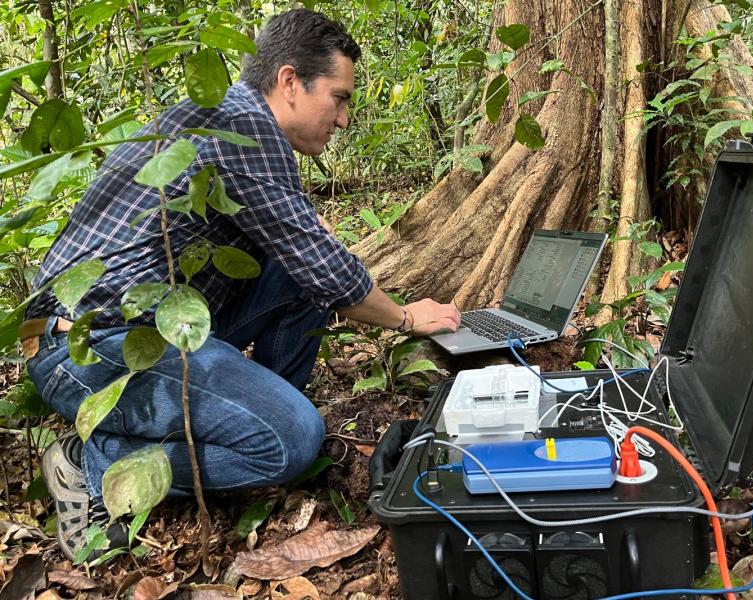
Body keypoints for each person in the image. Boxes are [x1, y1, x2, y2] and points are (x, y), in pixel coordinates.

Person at [21, 8, 460, 560]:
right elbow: (328, 269)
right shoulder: (243, 129)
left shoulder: (220, 116)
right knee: (295, 441)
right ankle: (93, 462)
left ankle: (253, 414)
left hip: (150, 323)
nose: (344, 118)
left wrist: (309, 238)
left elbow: (308, 260)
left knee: (302, 272)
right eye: (340, 97)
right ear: (289, 82)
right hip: (89, 345)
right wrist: (405, 317)